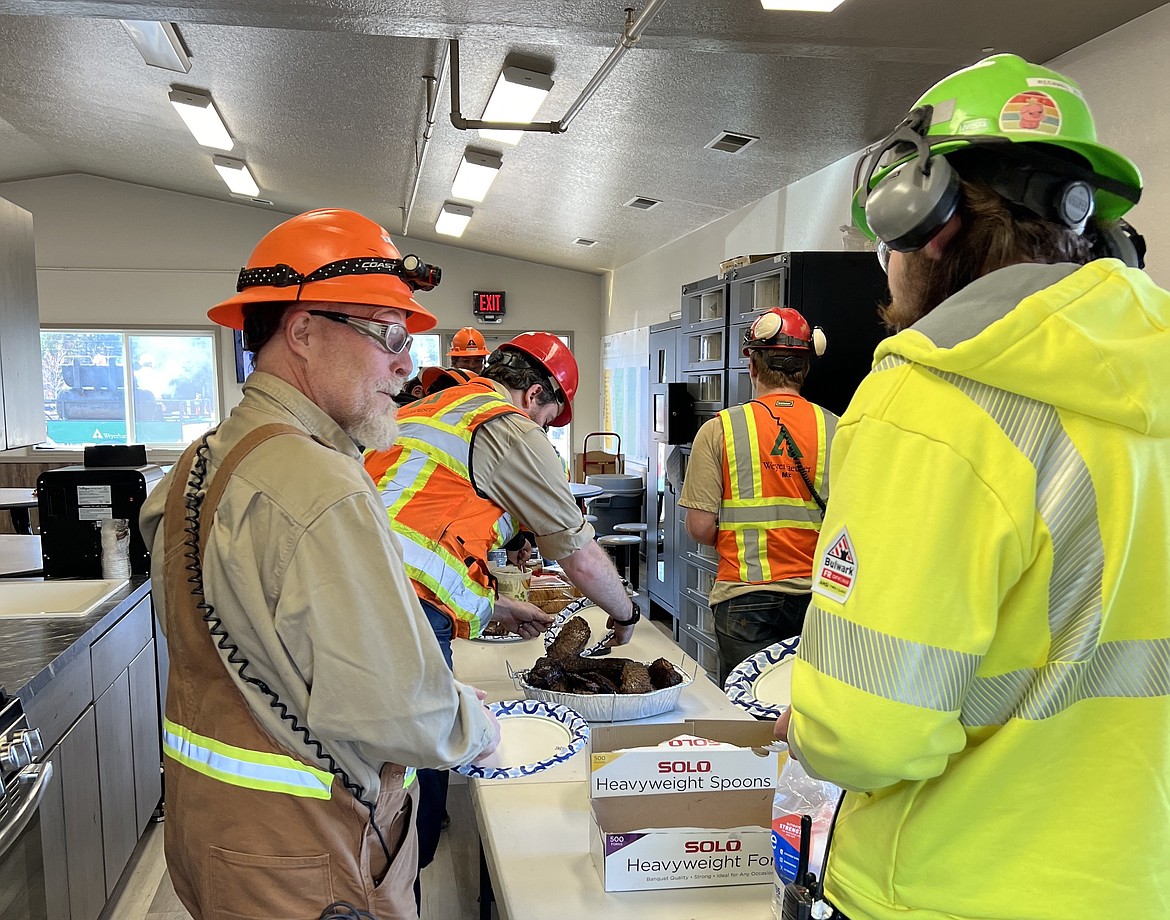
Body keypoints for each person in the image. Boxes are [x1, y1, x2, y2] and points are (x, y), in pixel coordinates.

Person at [776, 54, 1168, 920]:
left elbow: (864, 733)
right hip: (1136, 886)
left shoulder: (928, 399)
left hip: (948, 888)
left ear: (926, 216)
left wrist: (807, 723)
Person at [139, 208, 500, 920]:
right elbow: (396, 706)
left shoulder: (198, 461)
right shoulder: (320, 485)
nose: (406, 363)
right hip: (309, 861)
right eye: (388, 335)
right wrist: (475, 726)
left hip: (215, 834)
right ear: (302, 330)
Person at [363, 331, 640, 898]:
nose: (543, 434)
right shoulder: (508, 426)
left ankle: (394, 870)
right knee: (416, 759)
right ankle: (400, 887)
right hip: (403, 611)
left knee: (388, 757)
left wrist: (495, 604)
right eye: (547, 421)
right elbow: (579, 554)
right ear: (533, 395)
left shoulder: (435, 404)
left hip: (363, 592)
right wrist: (627, 611)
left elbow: (417, 530)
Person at [678, 307, 836, 686]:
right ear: (805, 369)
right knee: (805, 710)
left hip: (745, 597)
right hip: (821, 599)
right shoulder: (839, 428)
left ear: (752, 365)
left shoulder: (720, 430)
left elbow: (699, 527)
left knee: (749, 711)